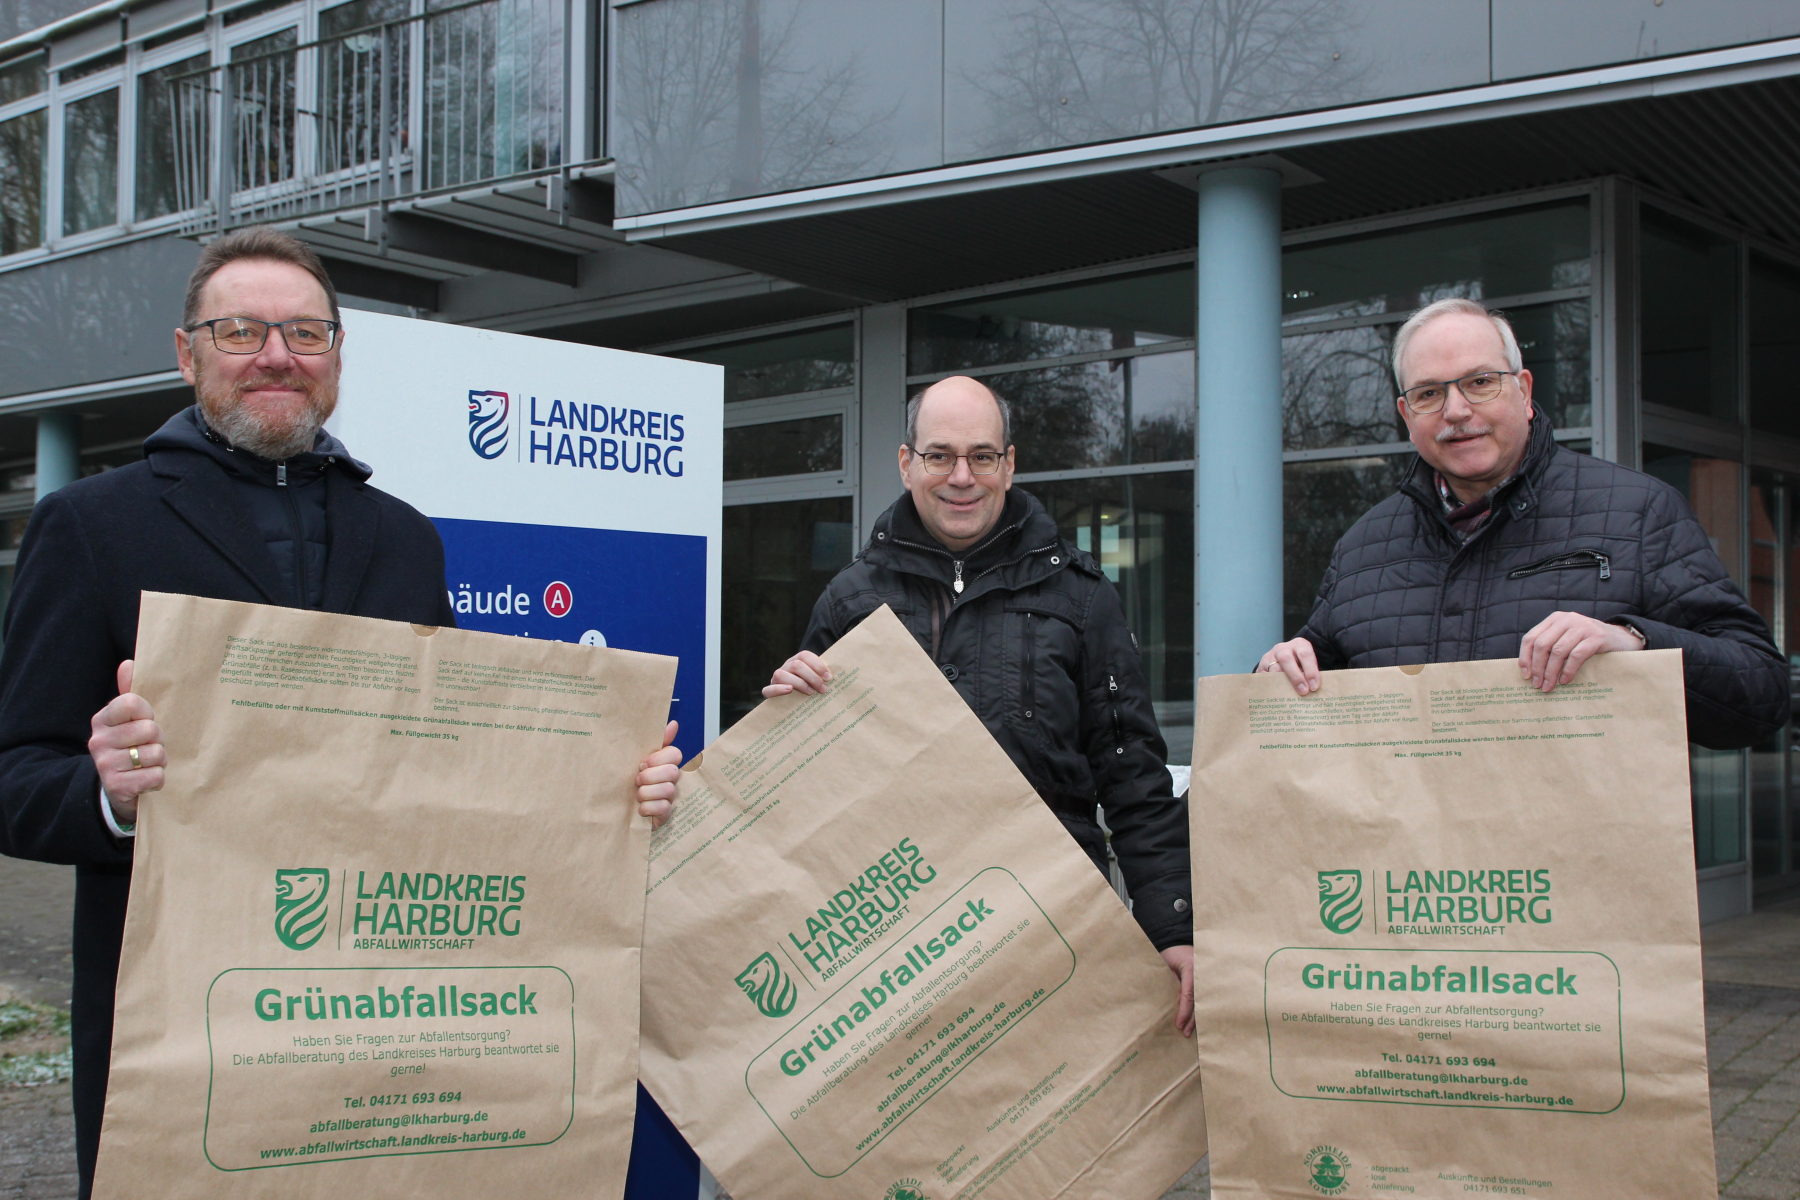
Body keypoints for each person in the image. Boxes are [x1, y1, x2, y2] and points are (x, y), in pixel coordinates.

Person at [0, 226, 683, 1199]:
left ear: (335, 359)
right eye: (242, 330)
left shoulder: (403, 537)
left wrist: (611, 788)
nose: (277, 354)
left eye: (306, 333)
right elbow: (15, 776)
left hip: (384, 1032)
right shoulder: (95, 526)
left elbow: (455, 765)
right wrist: (105, 793)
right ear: (187, 352)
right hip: (194, 1035)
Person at [764, 375, 1196, 1035]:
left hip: (1051, 935)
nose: (961, 476)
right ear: (907, 464)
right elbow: (809, 796)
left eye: (982, 456)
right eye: (940, 455)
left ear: (1009, 464)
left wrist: (1170, 923)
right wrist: (789, 716)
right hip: (894, 950)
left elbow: (1131, 771)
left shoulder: (1080, 599)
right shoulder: (850, 603)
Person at [1259, 296, 1789, 748]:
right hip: (1413, 867)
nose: (1456, 410)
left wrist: (1636, 644)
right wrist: (1279, 672)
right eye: (1429, 393)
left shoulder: (1638, 511)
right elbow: (1305, 697)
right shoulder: (1363, 546)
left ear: (1525, 391)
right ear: (1406, 415)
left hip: (1578, 863)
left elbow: (1762, 695)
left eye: (1480, 382)